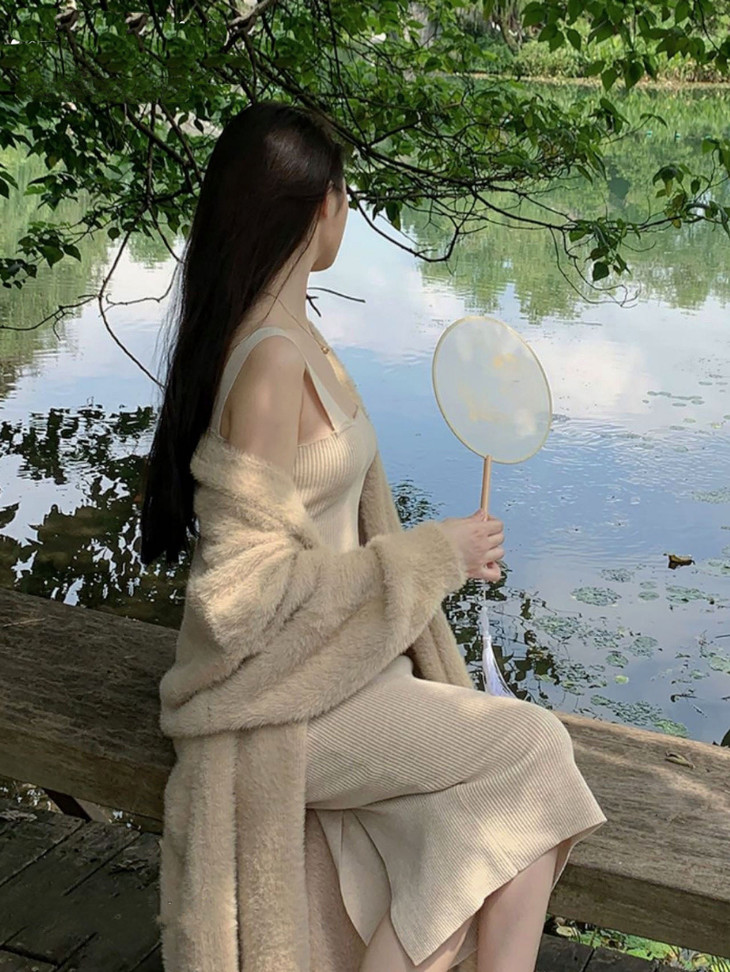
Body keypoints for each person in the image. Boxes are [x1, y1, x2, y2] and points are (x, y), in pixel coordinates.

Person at [140, 100, 607, 972]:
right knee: (536, 749)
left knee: (503, 829)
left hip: (341, 673)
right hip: (280, 705)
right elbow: (241, 601)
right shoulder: (271, 361)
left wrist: (433, 560)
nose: (348, 209)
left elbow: (330, 537)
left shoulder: (300, 337)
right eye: (345, 192)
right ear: (318, 206)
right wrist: (436, 558)